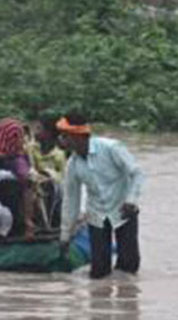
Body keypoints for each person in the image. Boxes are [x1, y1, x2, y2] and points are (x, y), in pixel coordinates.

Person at [58, 113, 144, 278]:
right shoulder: (72, 165)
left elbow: (137, 173)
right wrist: (65, 235)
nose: (61, 141)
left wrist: (131, 201)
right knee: (99, 272)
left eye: (65, 136)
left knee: (129, 267)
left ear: (77, 136)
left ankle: (127, 300)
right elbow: (71, 201)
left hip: (123, 211)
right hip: (96, 215)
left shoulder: (112, 148)